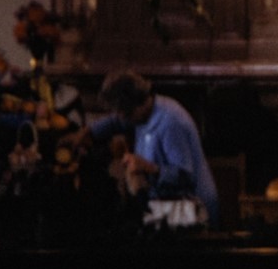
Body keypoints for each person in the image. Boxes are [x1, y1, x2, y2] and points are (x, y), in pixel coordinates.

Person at [86, 70, 219, 226]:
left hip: (192, 212)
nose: (122, 119)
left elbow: (185, 176)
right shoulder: (144, 114)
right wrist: (87, 132)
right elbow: (116, 122)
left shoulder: (170, 122)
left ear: (134, 106)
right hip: (168, 208)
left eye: (124, 114)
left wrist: (148, 169)